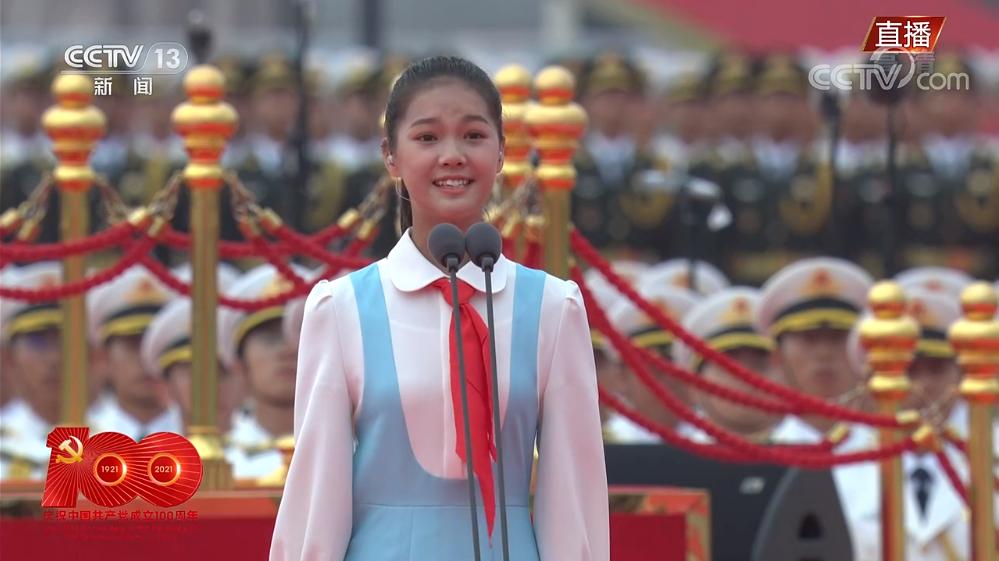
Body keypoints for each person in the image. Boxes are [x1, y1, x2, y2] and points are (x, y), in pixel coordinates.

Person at [270, 55, 608, 561]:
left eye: (473, 136)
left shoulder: (554, 309)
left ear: (501, 153)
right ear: (391, 156)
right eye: (427, 138)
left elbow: (574, 503)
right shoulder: (340, 309)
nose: (452, 156)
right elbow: (316, 504)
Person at [218, 264, 308, 481]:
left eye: (302, 335)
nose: (288, 350)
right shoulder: (216, 465)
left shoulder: (357, 454)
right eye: (270, 338)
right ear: (240, 363)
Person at [672, 287, 784, 442]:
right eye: (729, 367)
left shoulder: (814, 450)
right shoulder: (669, 454)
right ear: (694, 386)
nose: (747, 379)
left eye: (761, 364)